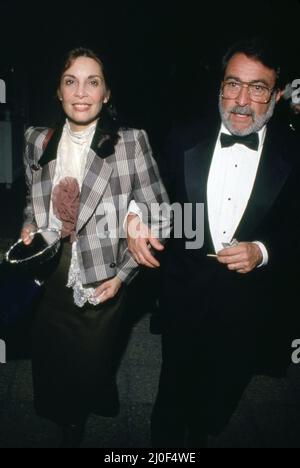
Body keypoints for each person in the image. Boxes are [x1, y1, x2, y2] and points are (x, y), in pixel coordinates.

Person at [127, 38, 300, 447]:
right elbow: (152, 188)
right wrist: (135, 216)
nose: (241, 100)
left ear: (277, 94)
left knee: (220, 395)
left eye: (258, 88)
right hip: (183, 290)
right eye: (232, 84)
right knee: (171, 393)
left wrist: (263, 251)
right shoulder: (182, 134)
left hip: (249, 301)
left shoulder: (294, 153)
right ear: (219, 86)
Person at [21, 47, 170, 447]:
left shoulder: (130, 143)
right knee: (53, 360)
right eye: (71, 81)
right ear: (58, 91)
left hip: (102, 279)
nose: (81, 92)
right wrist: (29, 227)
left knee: (91, 362)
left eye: (93, 82)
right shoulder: (37, 141)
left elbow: (163, 217)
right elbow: (31, 200)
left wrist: (123, 275)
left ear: (106, 94)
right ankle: (70, 413)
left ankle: (86, 407)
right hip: (51, 276)